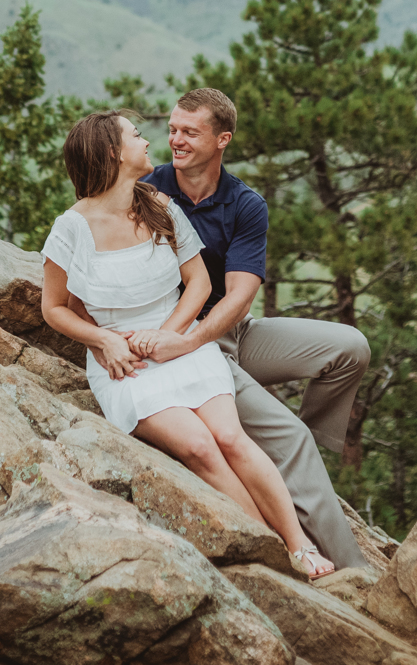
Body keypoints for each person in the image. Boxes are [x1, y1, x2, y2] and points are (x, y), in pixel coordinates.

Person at [40, 110, 336, 578]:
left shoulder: (159, 205)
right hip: (125, 366)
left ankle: (299, 545)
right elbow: (54, 308)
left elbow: (197, 284)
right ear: (114, 153)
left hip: (178, 341)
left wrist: (172, 335)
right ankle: (275, 553)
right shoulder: (71, 228)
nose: (149, 141)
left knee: (231, 438)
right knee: (199, 446)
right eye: (136, 135)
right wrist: (102, 340)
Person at [139, 87, 370, 573]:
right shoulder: (149, 189)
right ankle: (355, 573)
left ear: (222, 139)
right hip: (190, 345)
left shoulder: (245, 204)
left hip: (228, 331)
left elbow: (241, 294)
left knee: (351, 347)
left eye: (189, 132)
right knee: (290, 441)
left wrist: (197, 337)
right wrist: (184, 340)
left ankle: (295, 449)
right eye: (173, 130)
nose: (175, 140)